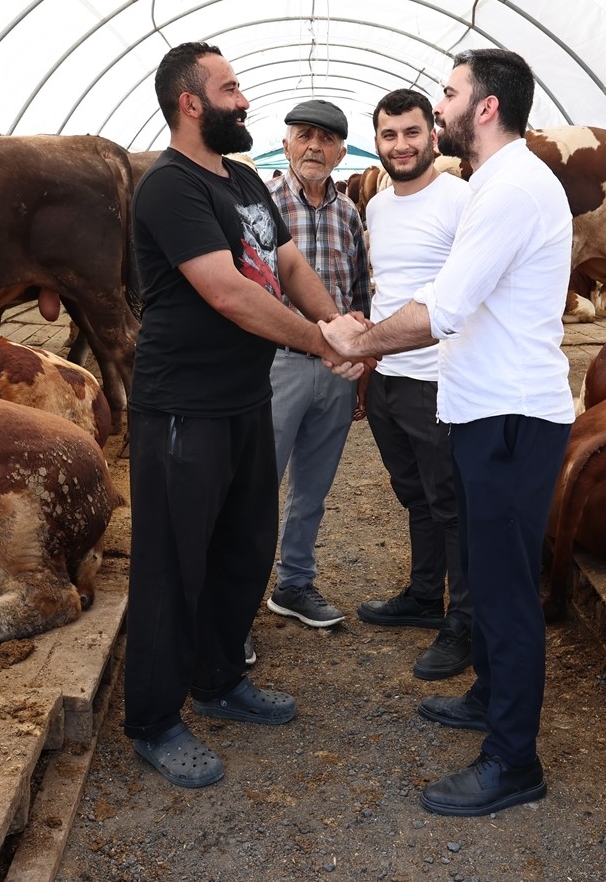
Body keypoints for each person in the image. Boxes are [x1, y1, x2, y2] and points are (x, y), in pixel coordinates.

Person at [321, 49, 575, 817]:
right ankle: (489, 696)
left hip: (510, 416)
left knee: (504, 594)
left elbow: (443, 307)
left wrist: (357, 344)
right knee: (487, 571)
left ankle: (512, 760)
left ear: (486, 107)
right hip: (483, 408)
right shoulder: (499, 183)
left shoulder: (510, 189)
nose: (441, 107)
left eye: (449, 93)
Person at [124, 42, 362, 789]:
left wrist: (338, 322)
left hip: (241, 400)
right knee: (171, 563)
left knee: (243, 545)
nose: (245, 101)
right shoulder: (169, 187)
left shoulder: (246, 179)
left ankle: (220, 679)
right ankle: (155, 720)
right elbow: (227, 291)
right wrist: (320, 342)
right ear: (191, 102)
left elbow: (288, 267)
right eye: (231, 89)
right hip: (180, 408)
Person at [356, 88, 475, 681]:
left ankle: (464, 622)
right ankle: (426, 596)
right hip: (390, 377)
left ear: (433, 133)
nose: (400, 145)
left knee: (452, 505)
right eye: (388, 135)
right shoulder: (376, 205)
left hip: (439, 381)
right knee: (416, 496)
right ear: (375, 141)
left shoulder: (461, 200)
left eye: (410, 132)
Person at [261, 100, 372, 631]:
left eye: (326, 139)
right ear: (284, 145)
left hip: (336, 370)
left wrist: (361, 370)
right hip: (276, 364)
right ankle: (236, 609)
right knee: (257, 487)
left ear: (341, 152)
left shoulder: (349, 213)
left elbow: (357, 295)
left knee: (312, 489)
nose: (314, 146)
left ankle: (294, 583)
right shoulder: (261, 206)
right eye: (303, 135)